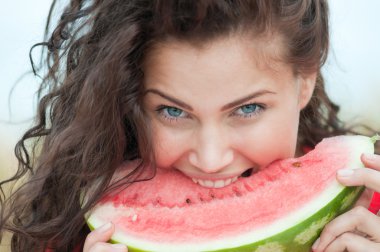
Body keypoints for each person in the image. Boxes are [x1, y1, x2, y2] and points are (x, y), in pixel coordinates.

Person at [0, 0, 379, 251]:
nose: (211, 160)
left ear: (305, 82)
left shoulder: (370, 218)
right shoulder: (77, 237)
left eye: (248, 109)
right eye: (173, 112)